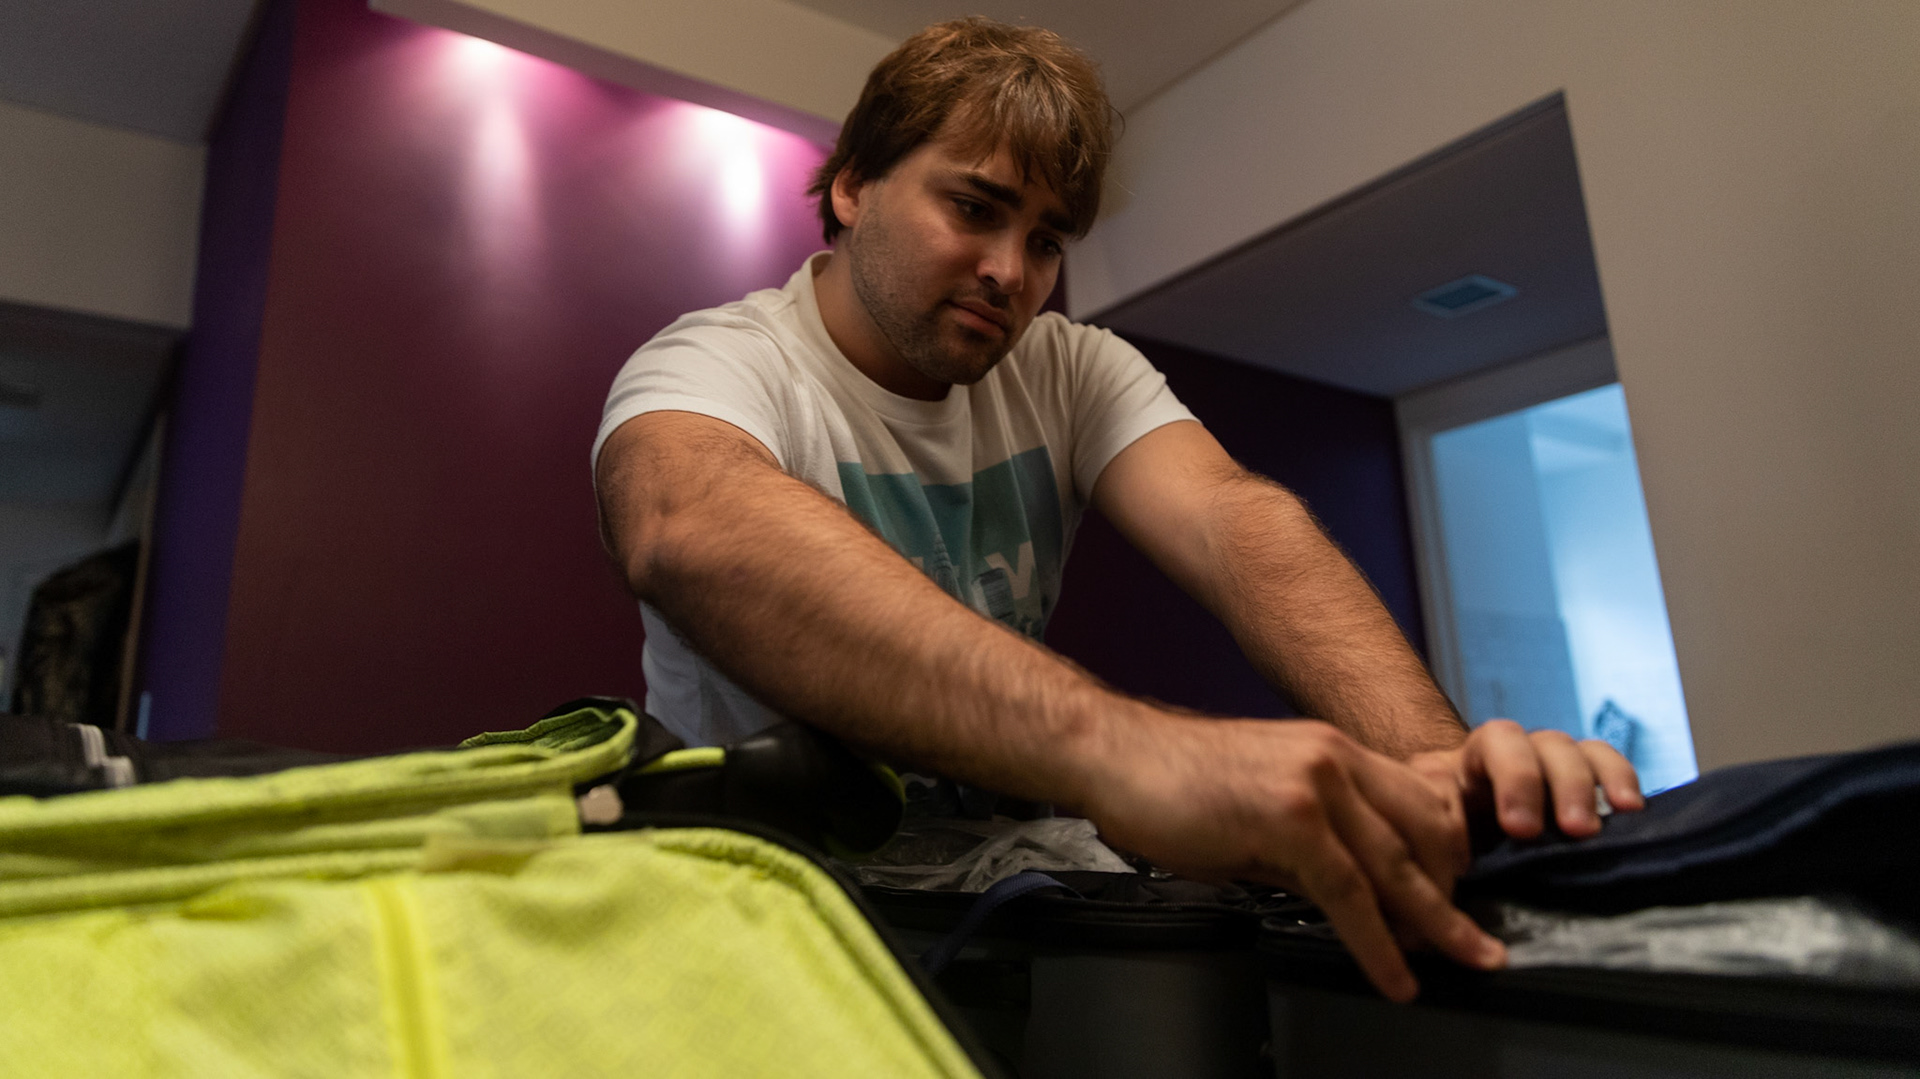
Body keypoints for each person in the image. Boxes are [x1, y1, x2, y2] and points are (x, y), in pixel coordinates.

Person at [593, 17, 1642, 1002]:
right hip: (757, 910)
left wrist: (1434, 773)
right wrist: (1131, 750)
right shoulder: (721, 359)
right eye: (973, 207)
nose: (1012, 273)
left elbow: (1240, 527)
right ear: (856, 185)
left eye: (1048, 240)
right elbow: (693, 522)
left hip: (1000, 913)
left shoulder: (1070, 367)